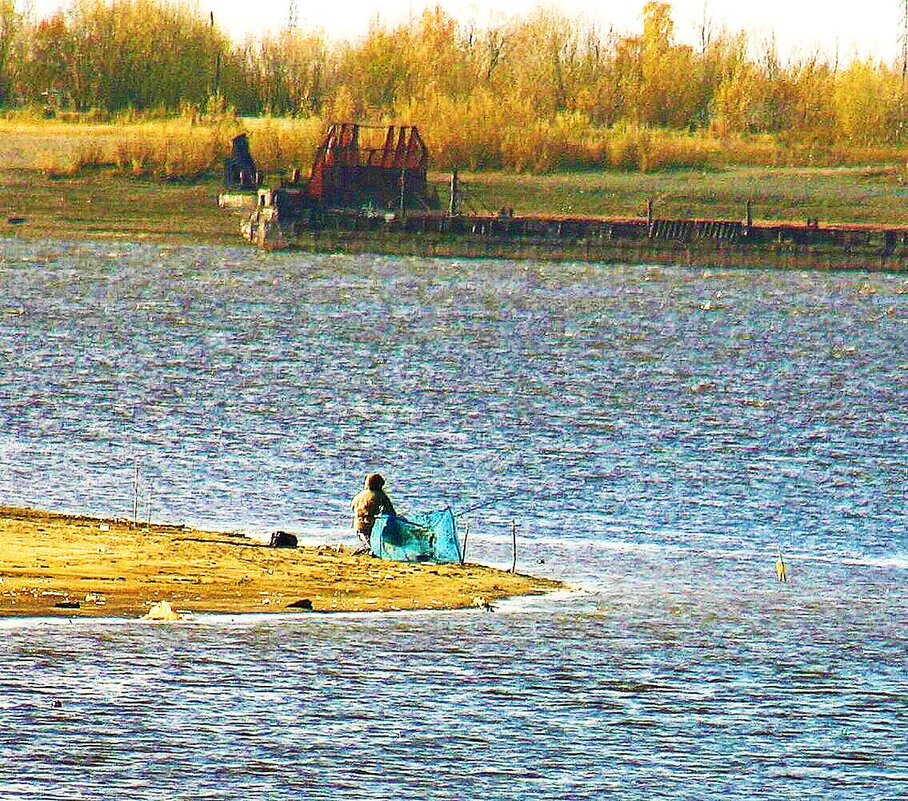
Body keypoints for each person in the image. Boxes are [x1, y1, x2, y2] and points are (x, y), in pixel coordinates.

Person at [350, 473, 396, 555]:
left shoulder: (358, 496)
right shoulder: (380, 495)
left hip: (357, 526)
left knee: (367, 539)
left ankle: (370, 548)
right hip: (370, 526)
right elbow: (390, 512)